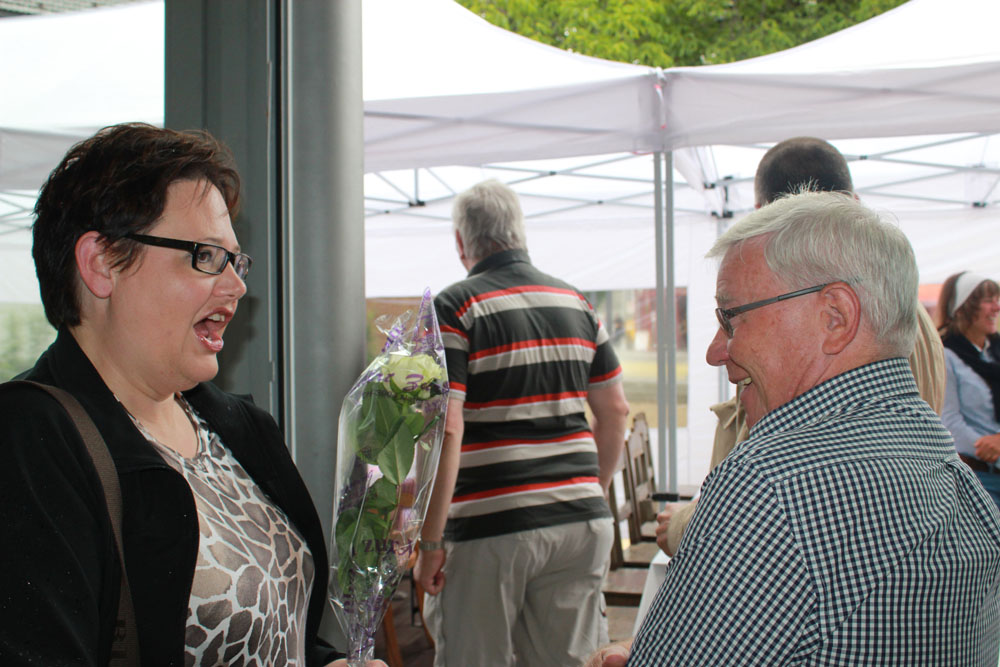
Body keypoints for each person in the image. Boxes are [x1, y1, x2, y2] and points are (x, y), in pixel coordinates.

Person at [0, 123, 383, 667]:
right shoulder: (30, 442)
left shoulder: (241, 429)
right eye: (205, 255)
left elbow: (272, 635)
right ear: (101, 264)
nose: (237, 286)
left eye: (235, 261)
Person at [588, 191, 1000, 665]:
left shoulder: (770, 484)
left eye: (730, 318)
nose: (715, 352)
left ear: (835, 317)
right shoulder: (952, 472)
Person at [655, 136, 946, 556]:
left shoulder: (826, 324)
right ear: (855, 200)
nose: (718, 353)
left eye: (733, 318)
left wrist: (688, 524)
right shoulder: (902, 312)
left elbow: (774, 491)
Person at [414, 179, 630, 666]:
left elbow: (449, 427)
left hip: (489, 526)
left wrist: (431, 542)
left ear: (461, 241)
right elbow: (615, 410)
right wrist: (589, 488)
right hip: (580, 522)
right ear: (518, 231)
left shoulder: (455, 307)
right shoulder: (576, 302)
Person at [938, 271, 1000, 509]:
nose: (997, 307)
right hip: (979, 480)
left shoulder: (995, 351)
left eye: (997, 299)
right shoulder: (946, 355)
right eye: (988, 301)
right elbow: (950, 424)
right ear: (964, 307)